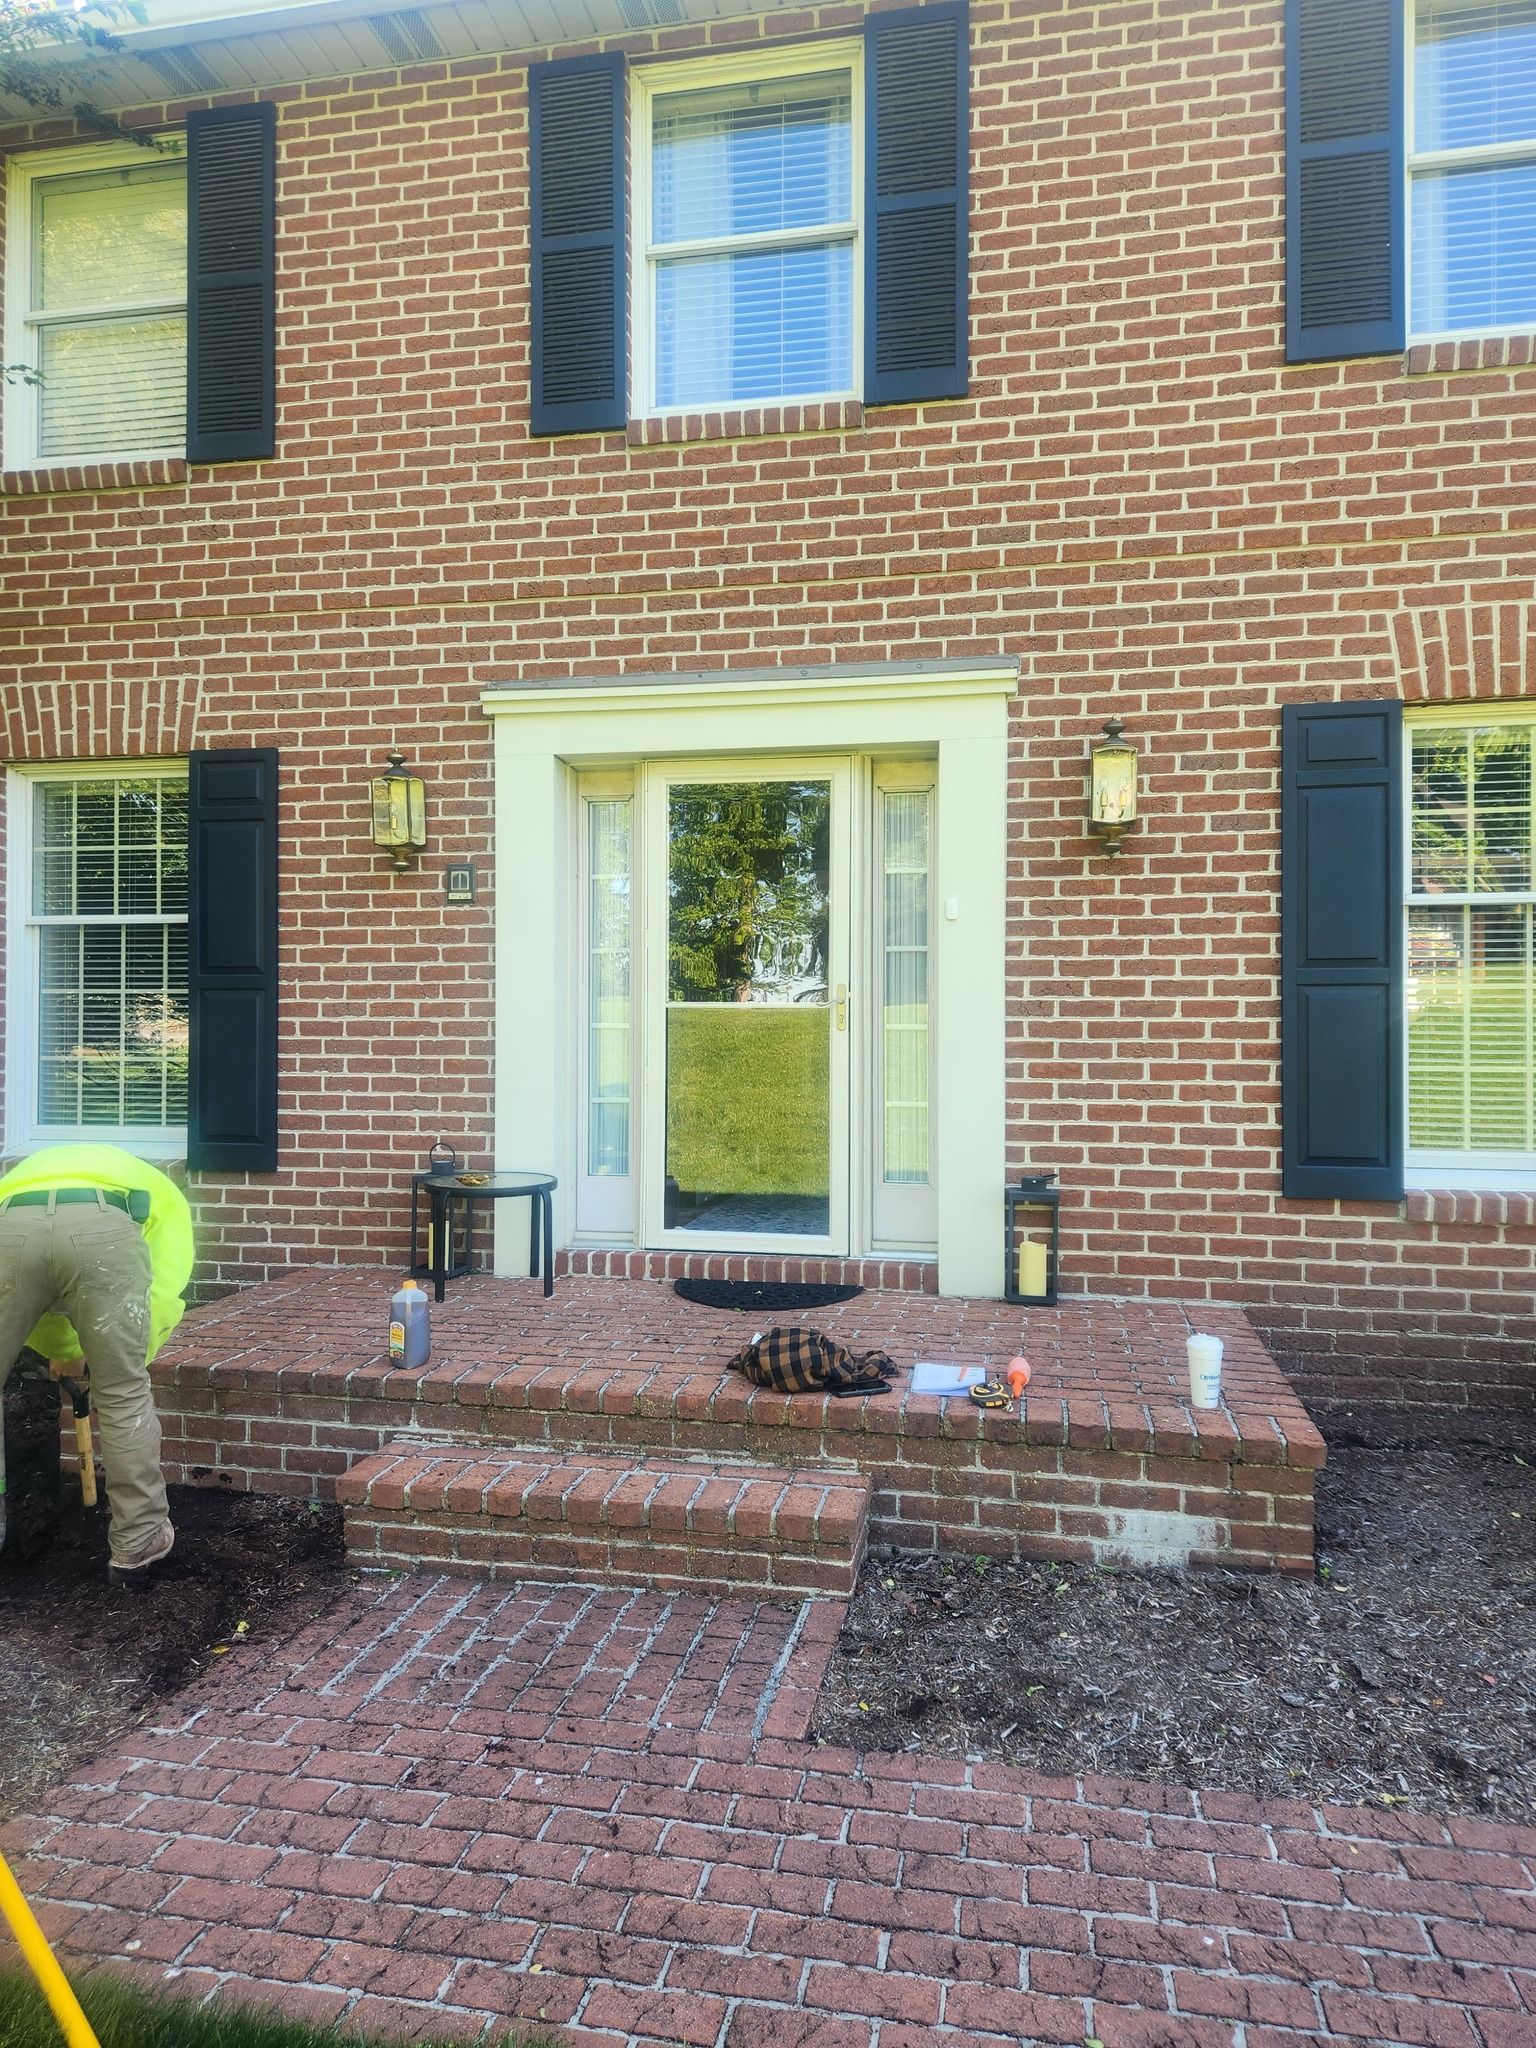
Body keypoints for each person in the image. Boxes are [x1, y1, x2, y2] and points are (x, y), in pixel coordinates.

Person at [0, 1144, 194, 1580]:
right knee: (123, 1393)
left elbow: (34, 1288)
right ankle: (137, 1542)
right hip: (103, 1234)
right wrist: (114, 1362)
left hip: (6, 1229)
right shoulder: (158, 1193)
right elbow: (161, 1291)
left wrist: (63, 1352)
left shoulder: (19, 1178)